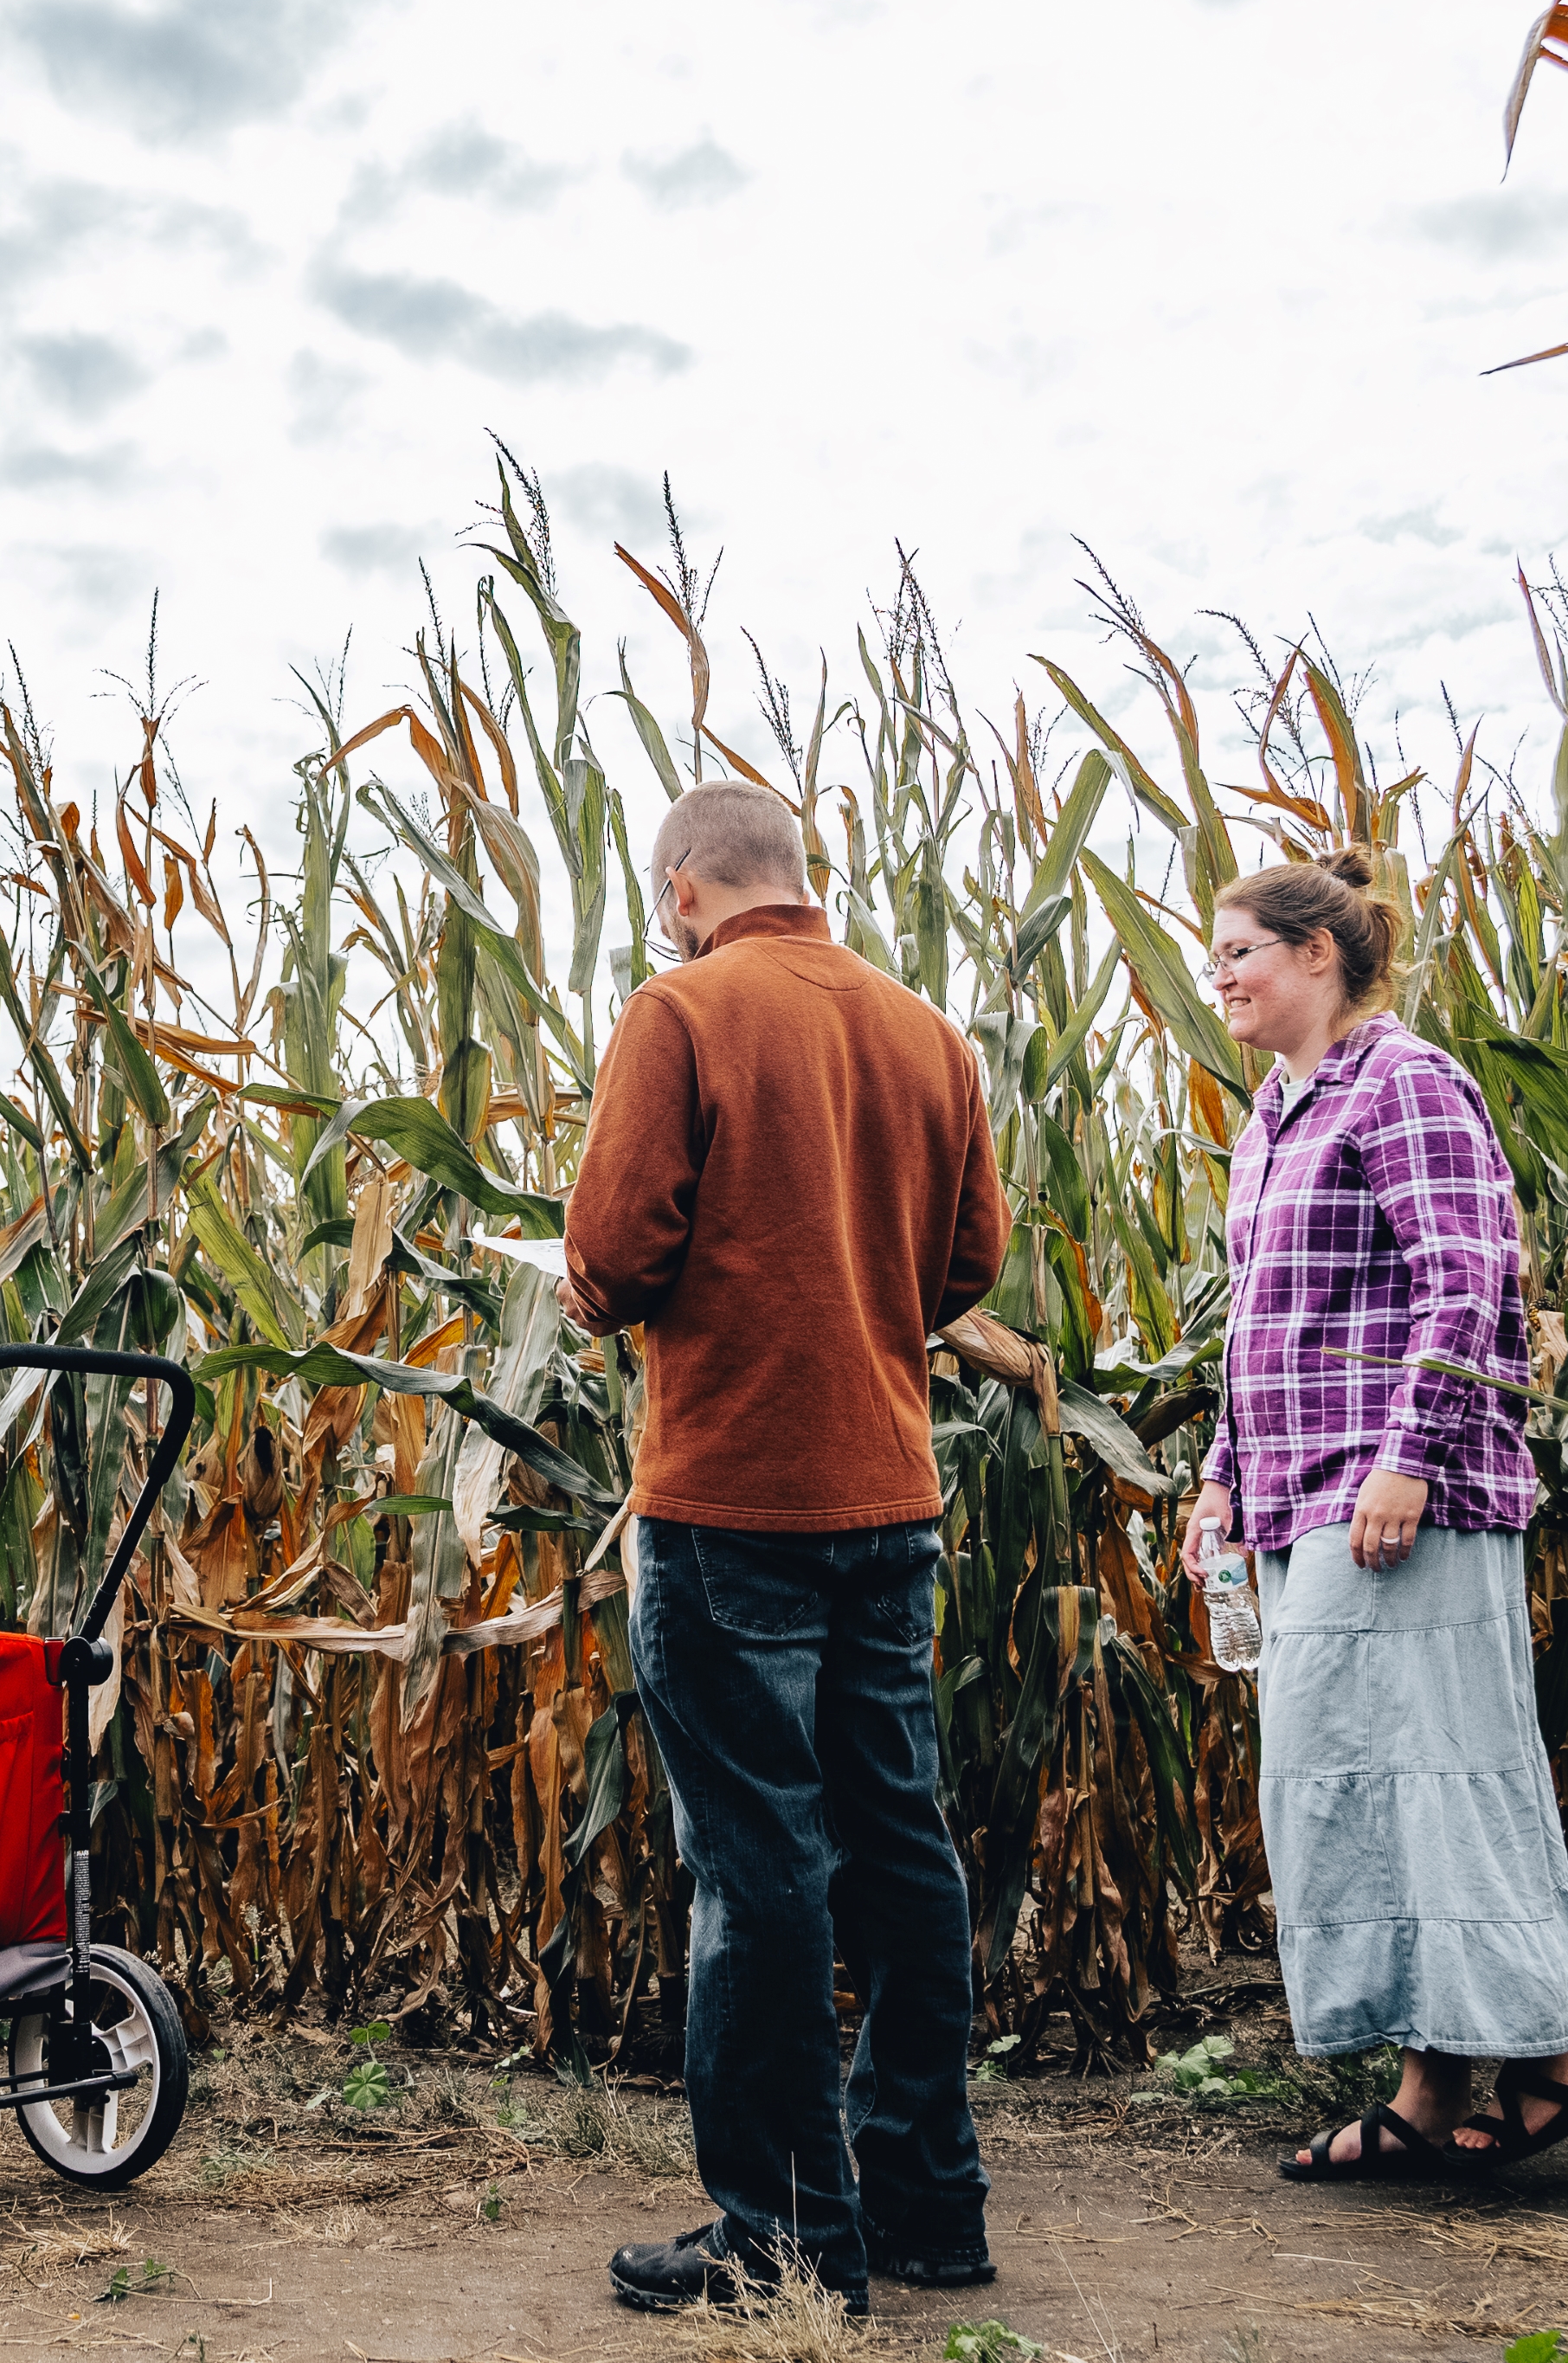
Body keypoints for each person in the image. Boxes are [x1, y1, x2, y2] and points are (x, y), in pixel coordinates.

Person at [555, 779, 1010, 2318]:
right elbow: (967, 1263)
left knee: (756, 1867)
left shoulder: (680, 1013)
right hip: (890, 1496)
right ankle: (929, 2199)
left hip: (731, 1500)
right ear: (798, 876)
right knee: (898, 1840)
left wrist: (589, 1286)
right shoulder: (925, 1031)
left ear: (686, 884)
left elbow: (617, 1250)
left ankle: (789, 2233)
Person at [1179, 851, 1568, 2180]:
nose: (1222, 979)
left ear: (1319, 955)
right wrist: (1223, 1468)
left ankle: (1565, 2052)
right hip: (1300, 1488)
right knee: (1359, 1784)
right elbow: (1260, 1322)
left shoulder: (1406, 1082)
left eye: (1240, 952)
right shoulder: (1276, 1108)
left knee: (1435, 1774)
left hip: (1395, 1495)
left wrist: (1412, 1455)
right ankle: (1430, 2089)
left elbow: (1470, 1279)